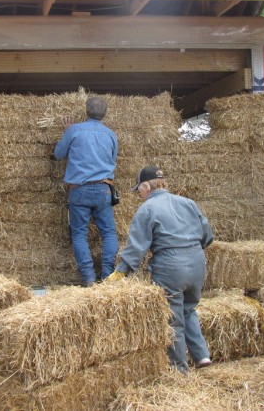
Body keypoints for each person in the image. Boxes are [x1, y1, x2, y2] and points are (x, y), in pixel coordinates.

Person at [107, 166, 214, 373]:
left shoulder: (147, 209)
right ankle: (201, 355)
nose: (140, 193)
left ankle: (178, 369)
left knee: (172, 317)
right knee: (189, 308)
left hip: (170, 266)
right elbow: (207, 235)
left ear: (146, 186)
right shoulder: (188, 203)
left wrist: (121, 271)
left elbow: (137, 247)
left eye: (139, 189)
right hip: (197, 262)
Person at [53, 96, 119, 287]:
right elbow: (113, 160)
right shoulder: (111, 135)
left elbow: (58, 154)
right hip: (103, 189)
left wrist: (67, 133)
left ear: (86, 110)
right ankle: (108, 276)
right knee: (108, 233)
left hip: (79, 189)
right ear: (104, 113)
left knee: (79, 234)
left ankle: (89, 278)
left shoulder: (74, 130)